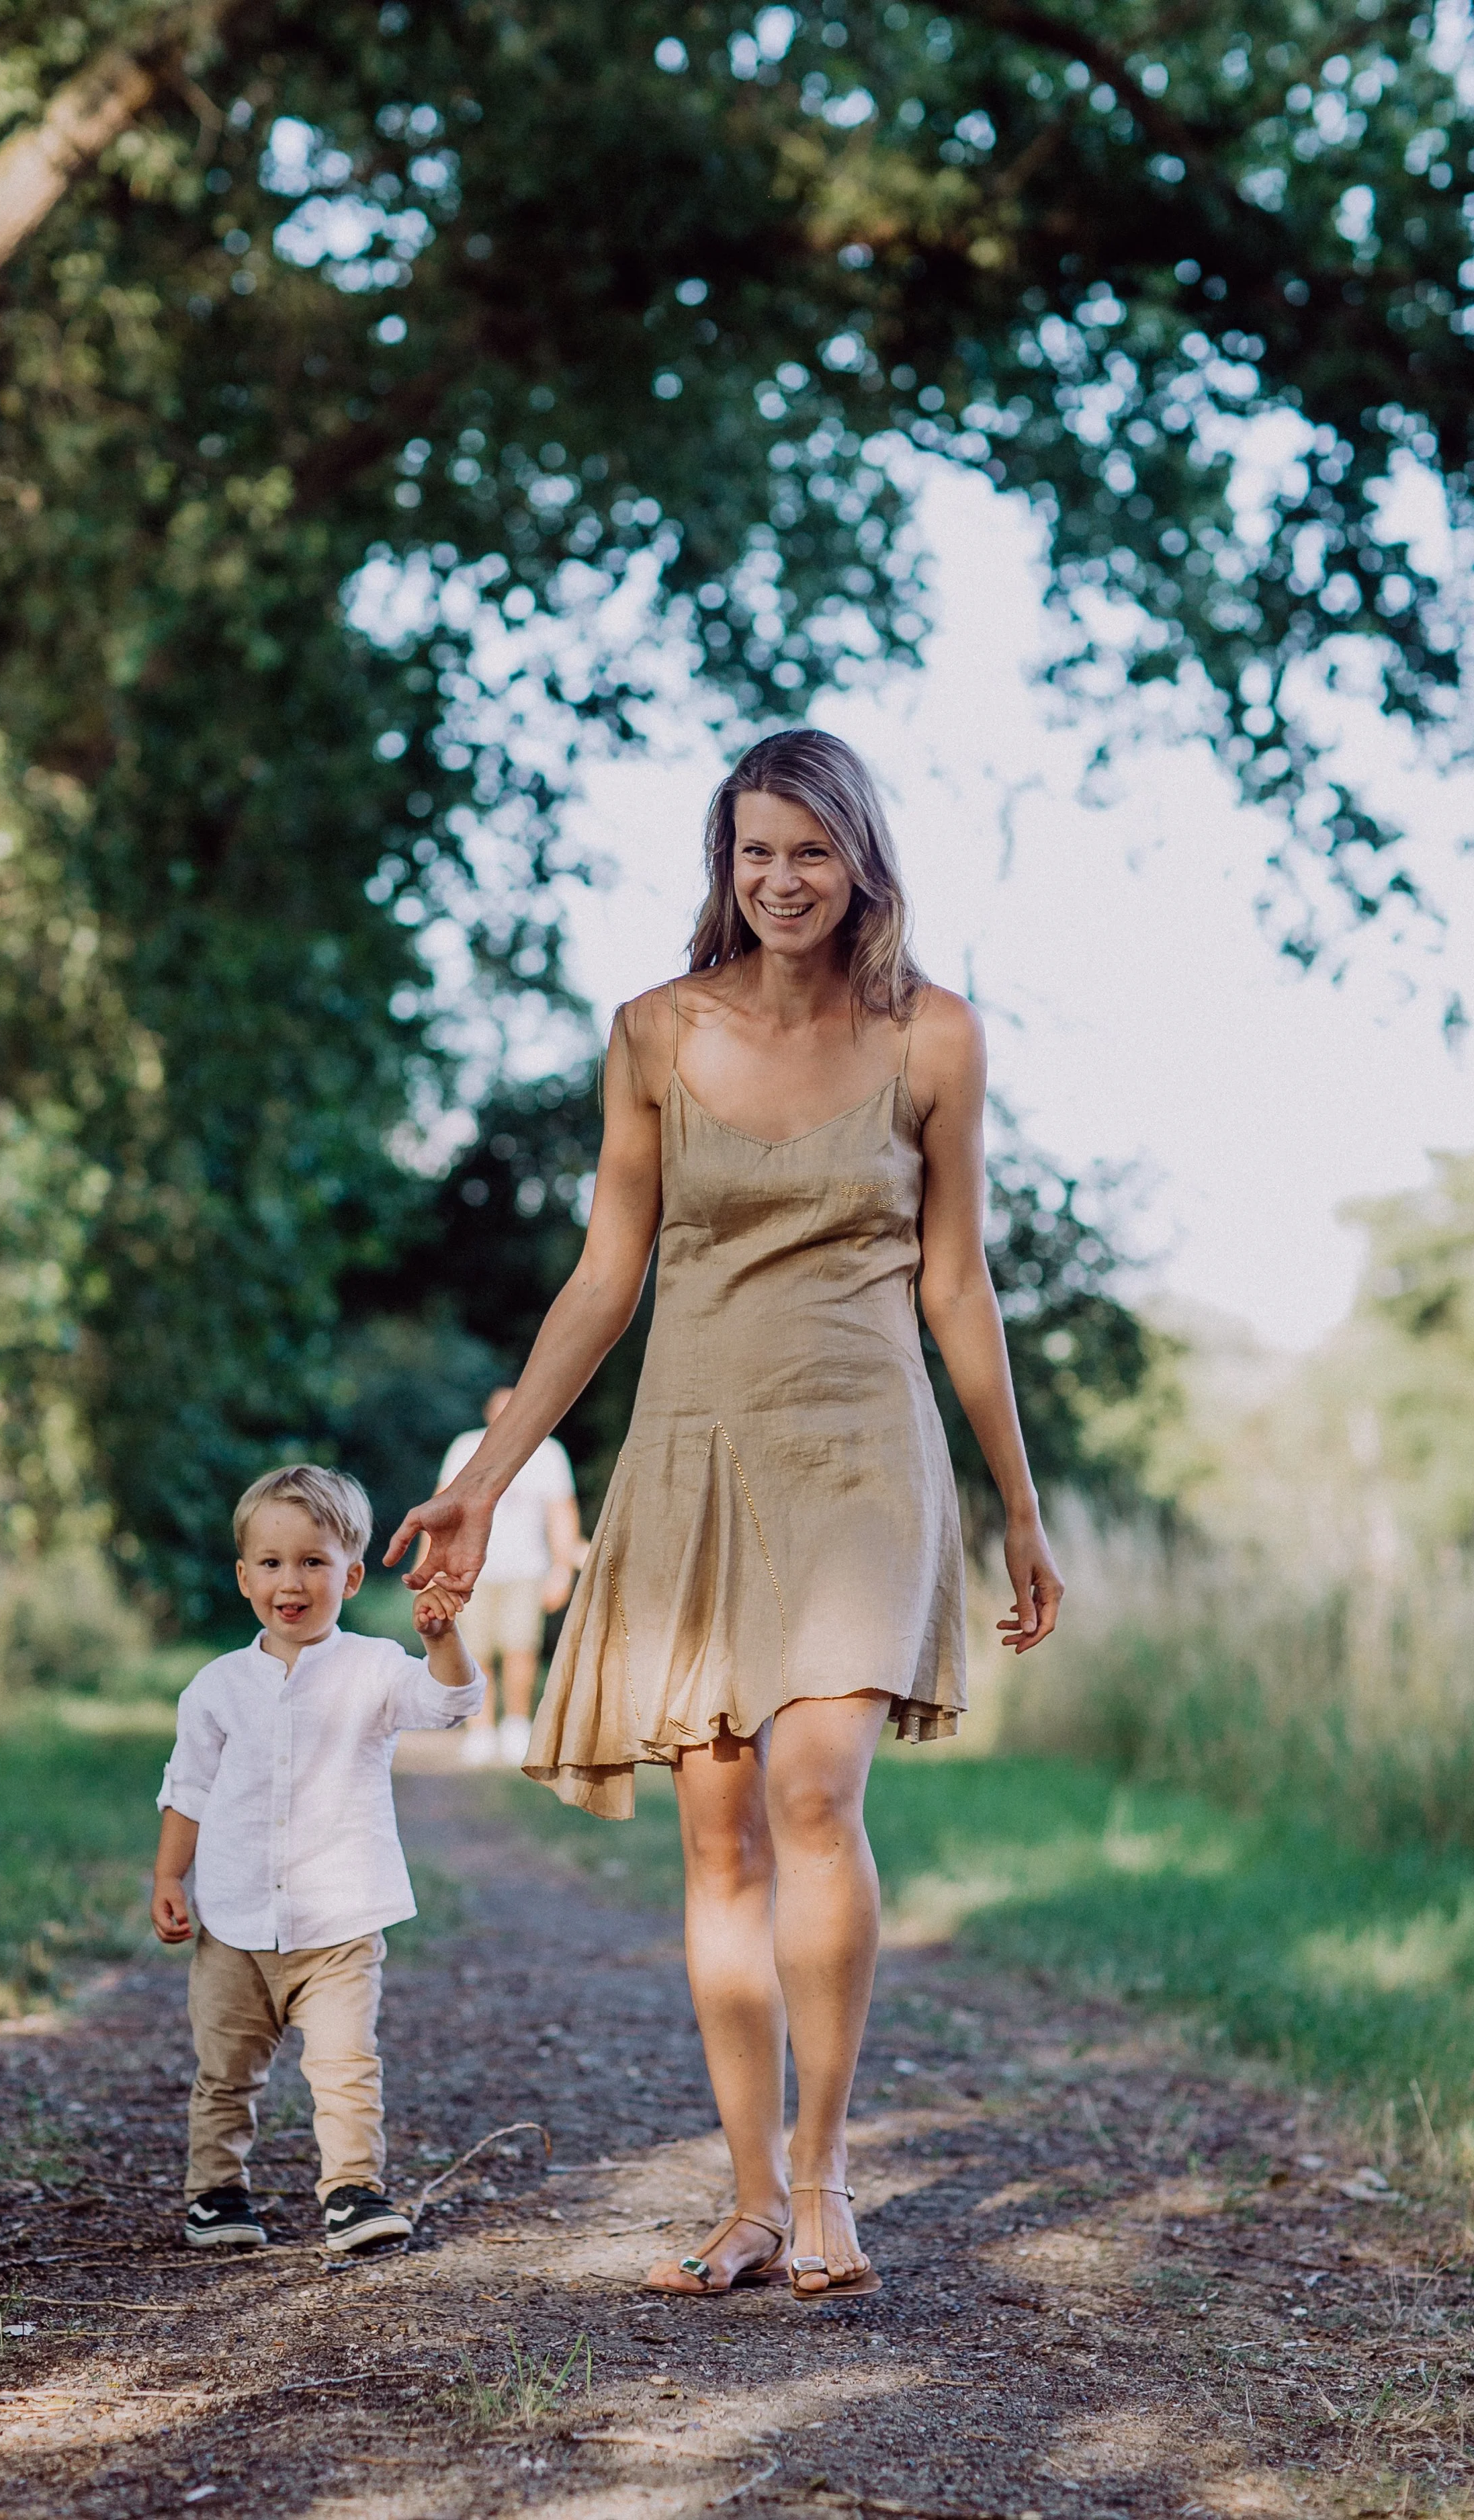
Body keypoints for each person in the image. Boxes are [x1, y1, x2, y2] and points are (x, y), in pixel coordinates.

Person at [386, 730, 1063, 2301]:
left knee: (816, 1792)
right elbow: (604, 1278)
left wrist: (1018, 1505)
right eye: (755, 851)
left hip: (859, 1455)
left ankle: (826, 2183)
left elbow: (957, 1282)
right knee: (718, 1829)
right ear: (725, 862)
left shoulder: (934, 1039)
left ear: (862, 860)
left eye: (809, 852)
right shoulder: (649, 1035)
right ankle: (750, 2192)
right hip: (693, 1452)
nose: (780, 879)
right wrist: (483, 1482)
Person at [150, 1464, 484, 2253]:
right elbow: (188, 1786)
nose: (290, 1582)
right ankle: (217, 2197)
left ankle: (352, 2192)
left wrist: (443, 1639)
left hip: (340, 1919)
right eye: (271, 1564)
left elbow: (451, 1703)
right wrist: (170, 1874)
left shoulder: (371, 1668)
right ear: (244, 1577)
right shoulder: (218, 1687)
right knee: (225, 2070)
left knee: (344, 2066)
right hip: (235, 1924)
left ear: (352, 1573)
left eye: (313, 1562)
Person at [436, 1386, 583, 1767]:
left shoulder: (548, 1452)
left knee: (521, 1648)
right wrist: (432, 1567)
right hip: (470, 1570)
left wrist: (562, 1569)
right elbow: (442, 1506)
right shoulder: (466, 1447)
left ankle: (516, 1725)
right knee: (475, 1650)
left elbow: (561, 1514)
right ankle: (480, 1730)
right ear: (488, 1413)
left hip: (526, 1569)